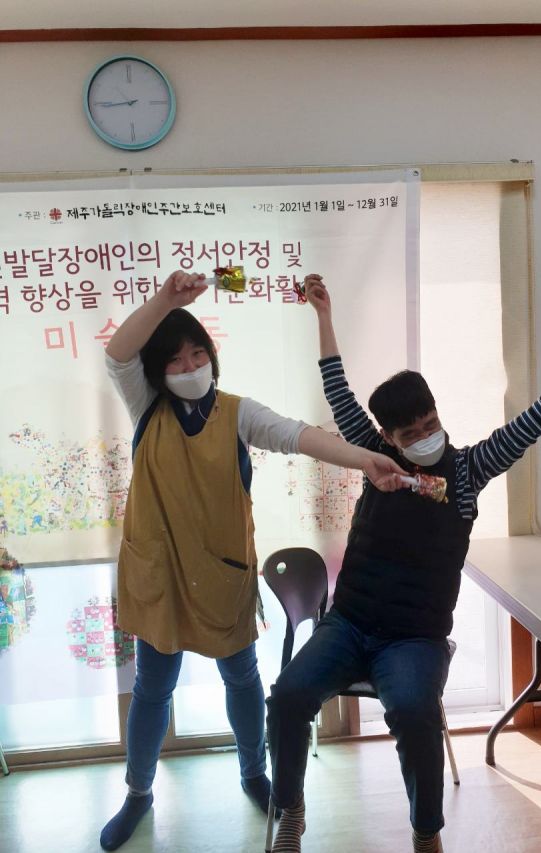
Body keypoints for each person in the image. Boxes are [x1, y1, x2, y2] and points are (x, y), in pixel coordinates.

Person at [266, 273, 541, 853]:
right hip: (349, 625)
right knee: (288, 697)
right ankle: (290, 809)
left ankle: (426, 832)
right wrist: (323, 316)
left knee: (415, 711)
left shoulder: (466, 472)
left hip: (414, 638)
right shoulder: (374, 459)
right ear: (388, 437)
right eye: (411, 433)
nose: (426, 437)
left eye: (431, 424)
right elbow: (337, 388)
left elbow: (539, 415)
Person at [100, 270, 407, 852]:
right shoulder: (146, 408)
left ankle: (252, 772)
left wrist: (363, 459)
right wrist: (166, 299)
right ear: (159, 372)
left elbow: (297, 435)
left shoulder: (237, 413)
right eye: (176, 360)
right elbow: (117, 355)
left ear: (212, 357)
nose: (190, 366)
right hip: (160, 578)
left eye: (198, 354)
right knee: (152, 690)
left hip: (222, 574)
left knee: (241, 679)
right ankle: (138, 793)